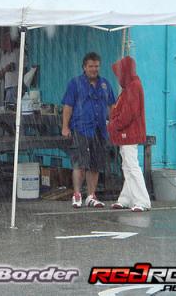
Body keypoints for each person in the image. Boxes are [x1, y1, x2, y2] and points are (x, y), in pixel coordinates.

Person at [61, 52, 116, 208]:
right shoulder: (75, 83)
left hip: (100, 130)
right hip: (81, 128)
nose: (94, 69)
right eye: (91, 66)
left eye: (96, 66)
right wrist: (65, 127)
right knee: (80, 163)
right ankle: (77, 194)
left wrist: (112, 124)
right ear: (84, 67)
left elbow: (112, 106)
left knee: (96, 164)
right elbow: (68, 106)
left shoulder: (105, 84)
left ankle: (91, 195)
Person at [107, 56, 151, 212]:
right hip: (128, 132)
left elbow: (128, 113)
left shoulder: (132, 87)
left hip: (128, 133)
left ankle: (142, 200)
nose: (118, 76)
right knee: (127, 165)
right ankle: (126, 198)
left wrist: (113, 124)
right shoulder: (132, 85)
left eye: (119, 73)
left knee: (131, 165)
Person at [0, 32, 20, 107]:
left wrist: (7, 69)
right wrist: (5, 69)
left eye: (7, 41)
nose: (5, 43)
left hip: (16, 86)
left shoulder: (18, 52)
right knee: (9, 108)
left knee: (15, 108)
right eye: (4, 41)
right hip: (8, 87)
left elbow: (14, 67)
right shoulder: (4, 56)